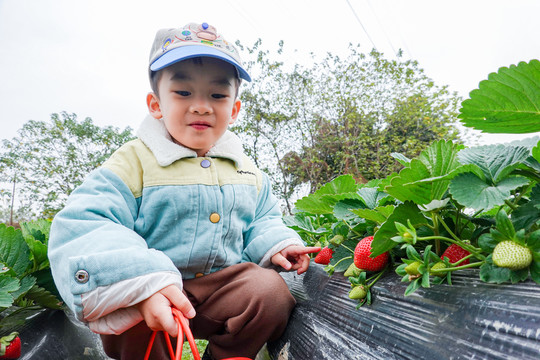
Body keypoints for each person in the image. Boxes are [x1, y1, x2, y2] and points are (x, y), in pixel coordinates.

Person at [48, 22, 320, 360]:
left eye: (218, 95)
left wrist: (277, 243)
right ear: (156, 104)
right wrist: (143, 282)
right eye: (184, 92)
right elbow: (88, 221)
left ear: (234, 109)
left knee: (269, 292)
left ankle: (230, 355)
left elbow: (262, 218)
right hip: (152, 290)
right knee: (133, 312)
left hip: (221, 290)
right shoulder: (134, 161)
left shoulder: (246, 169)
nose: (202, 106)